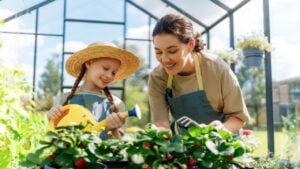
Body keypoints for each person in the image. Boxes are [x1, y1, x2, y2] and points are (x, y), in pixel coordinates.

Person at [148, 14, 250, 134]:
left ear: (190, 44)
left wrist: (219, 131)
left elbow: (238, 117)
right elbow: (160, 123)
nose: (164, 59)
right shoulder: (158, 77)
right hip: (185, 145)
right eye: (158, 52)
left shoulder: (217, 69)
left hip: (225, 142)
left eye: (172, 51)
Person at [47, 42, 140, 139]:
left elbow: (120, 147)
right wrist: (50, 119)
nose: (109, 75)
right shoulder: (64, 99)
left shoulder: (117, 104)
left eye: (113, 72)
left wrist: (114, 130)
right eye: (105, 68)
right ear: (89, 63)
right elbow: (52, 138)